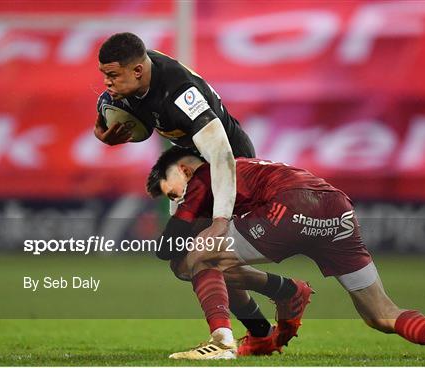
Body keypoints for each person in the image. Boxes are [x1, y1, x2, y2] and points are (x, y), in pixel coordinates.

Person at [146, 146, 425, 362]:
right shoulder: (248, 167)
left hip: (290, 207)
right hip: (336, 206)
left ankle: (225, 339)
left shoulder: (204, 174)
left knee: (191, 260)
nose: (176, 200)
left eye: (171, 191)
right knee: (380, 314)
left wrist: (182, 235)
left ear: (185, 170)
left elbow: (169, 247)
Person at [94, 32, 290, 354]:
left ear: (138, 72)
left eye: (112, 76)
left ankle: (224, 340)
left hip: (230, 168)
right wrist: (103, 132)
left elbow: (223, 156)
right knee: (184, 261)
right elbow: (106, 115)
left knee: (196, 258)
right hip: (193, 169)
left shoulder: (180, 92)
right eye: (104, 75)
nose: (106, 83)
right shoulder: (135, 72)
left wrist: (219, 221)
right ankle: (267, 318)